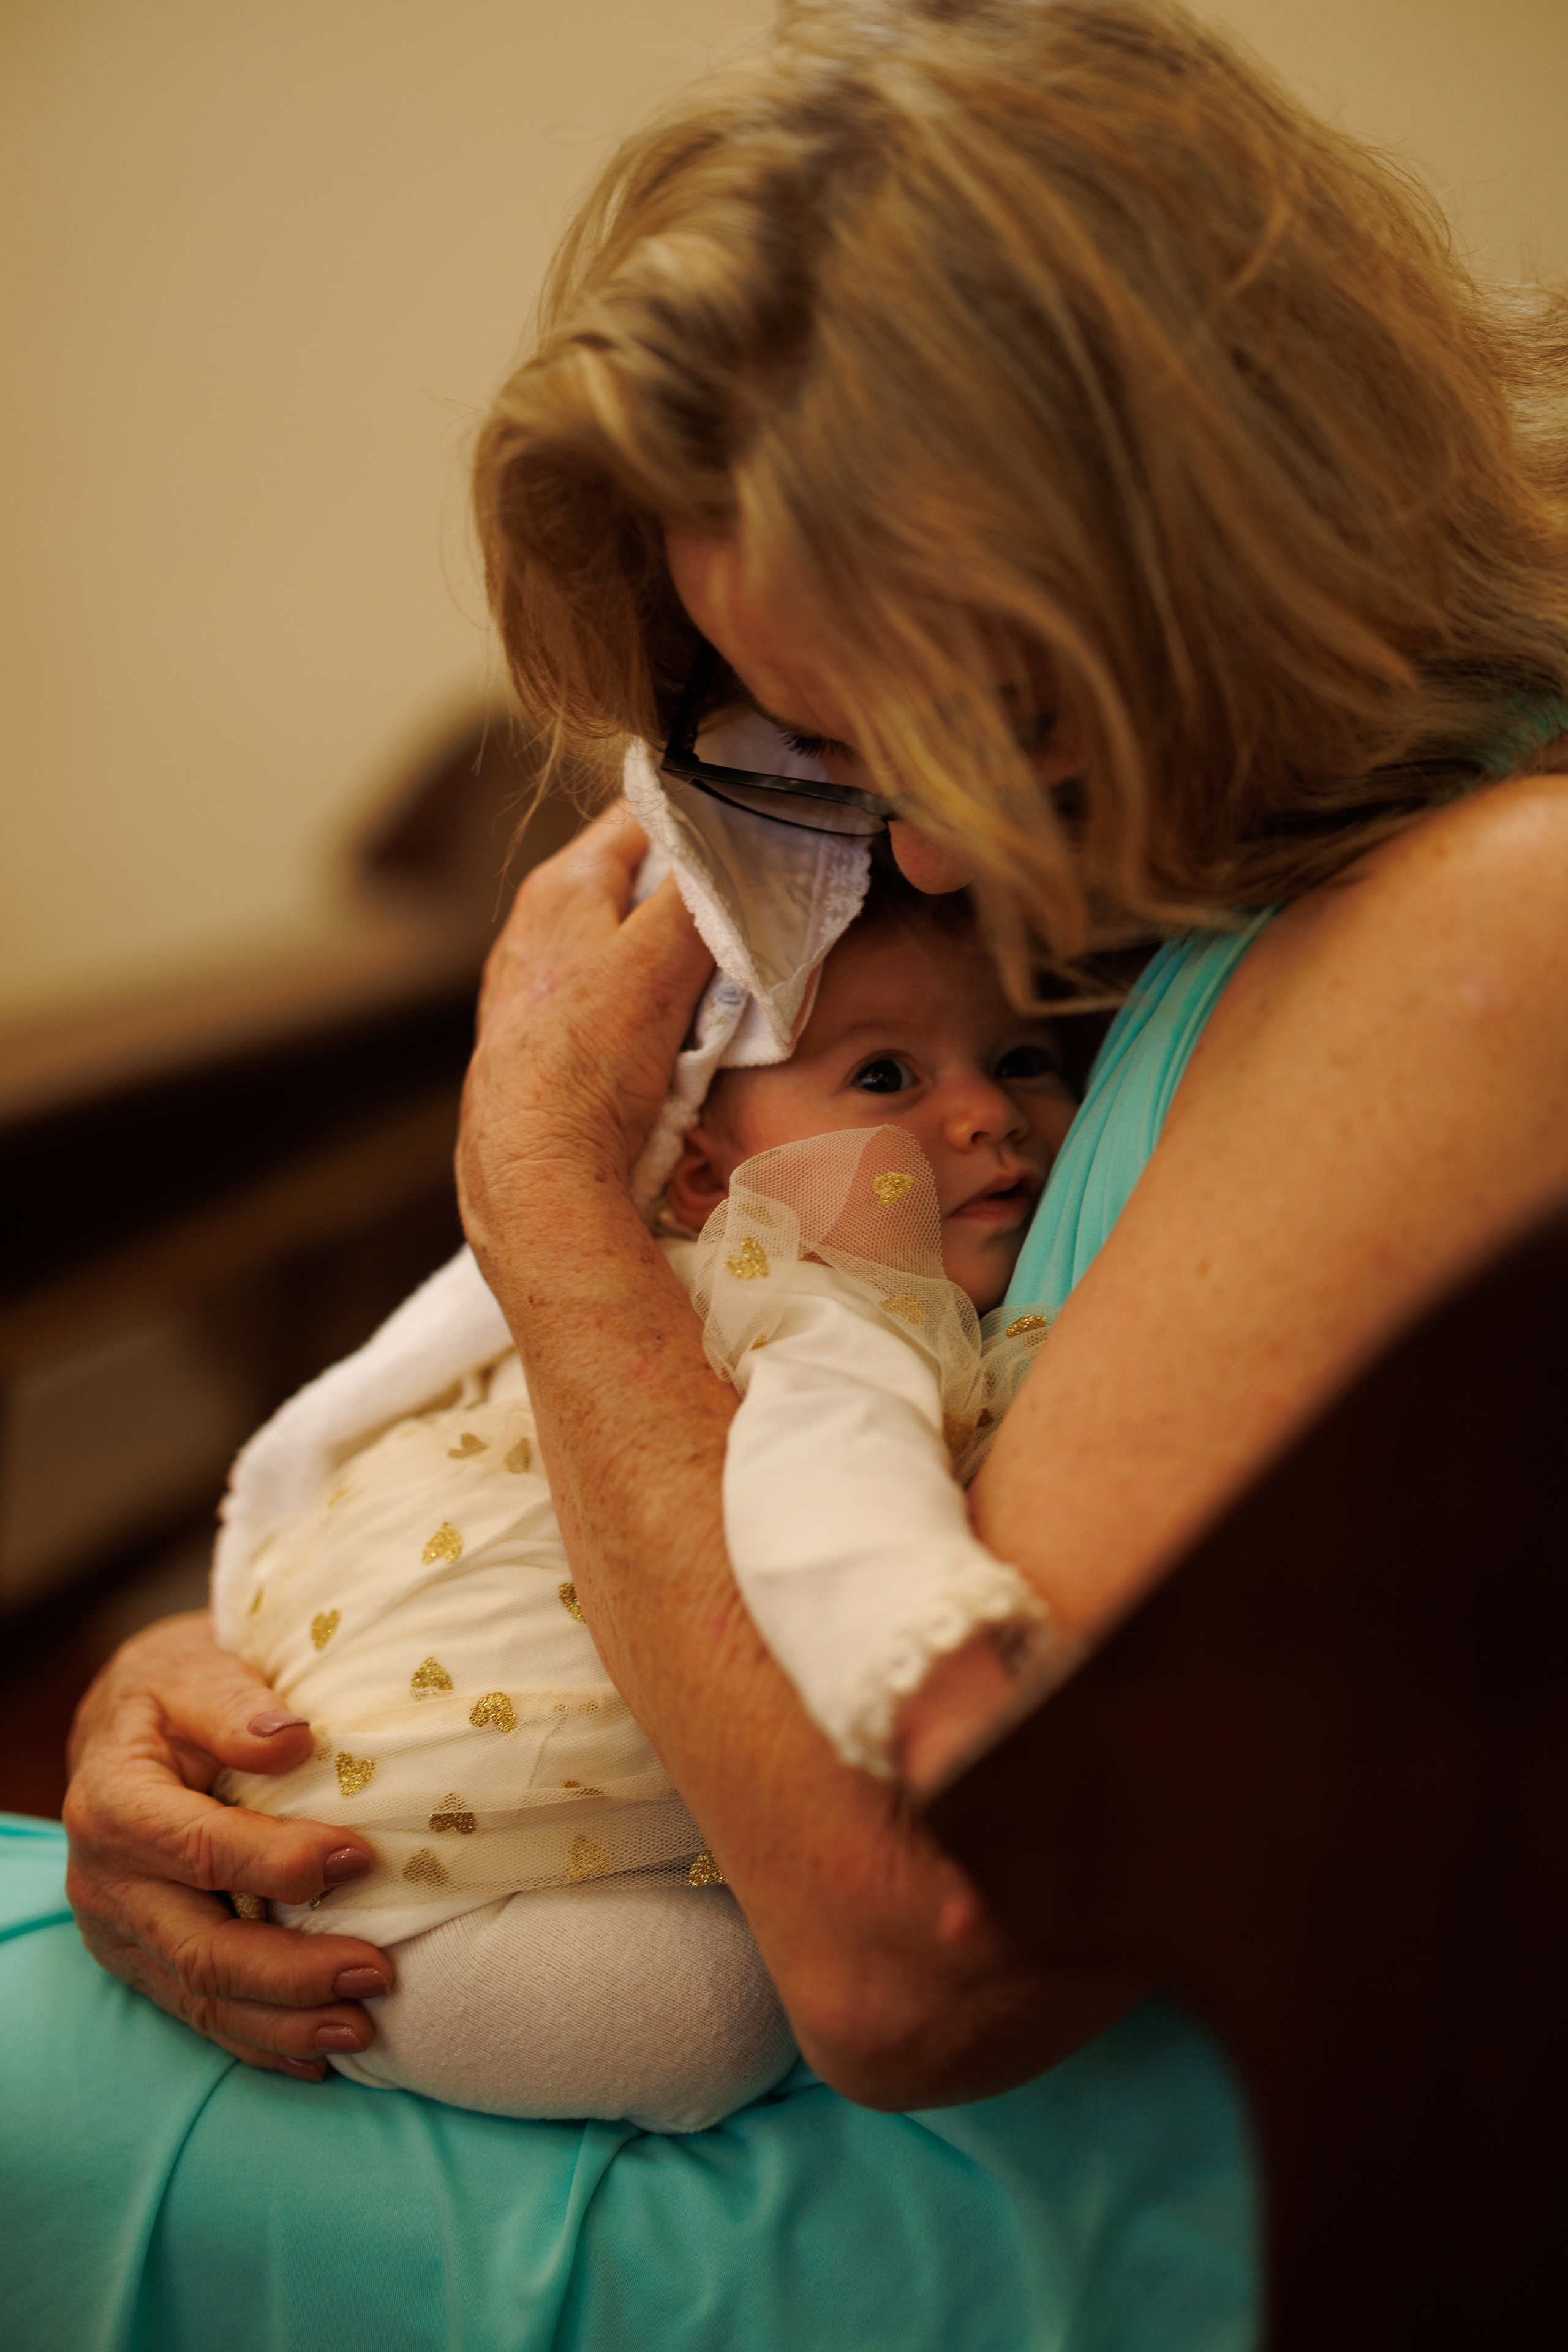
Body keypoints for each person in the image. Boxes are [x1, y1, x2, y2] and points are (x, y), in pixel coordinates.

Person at [10, 4, 1568, 2345]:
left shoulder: (1490, 929)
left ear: (1227, 544)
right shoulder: (1194, 902)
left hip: (1123, 2196)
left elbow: (901, 1953)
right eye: (836, 752)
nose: (927, 848)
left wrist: (547, 1206)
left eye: (980, 722)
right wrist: (275, 1685)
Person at [211, 872, 1074, 2129]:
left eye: (1021, 1055)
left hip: (323, 1787)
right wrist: (940, 1662)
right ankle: (357, 2017)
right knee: (709, 2021)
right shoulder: (823, 1305)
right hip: (414, 1877)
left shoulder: (651, 1301)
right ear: (707, 1182)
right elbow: (829, 1485)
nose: (989, 1111)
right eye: (884, 1077)